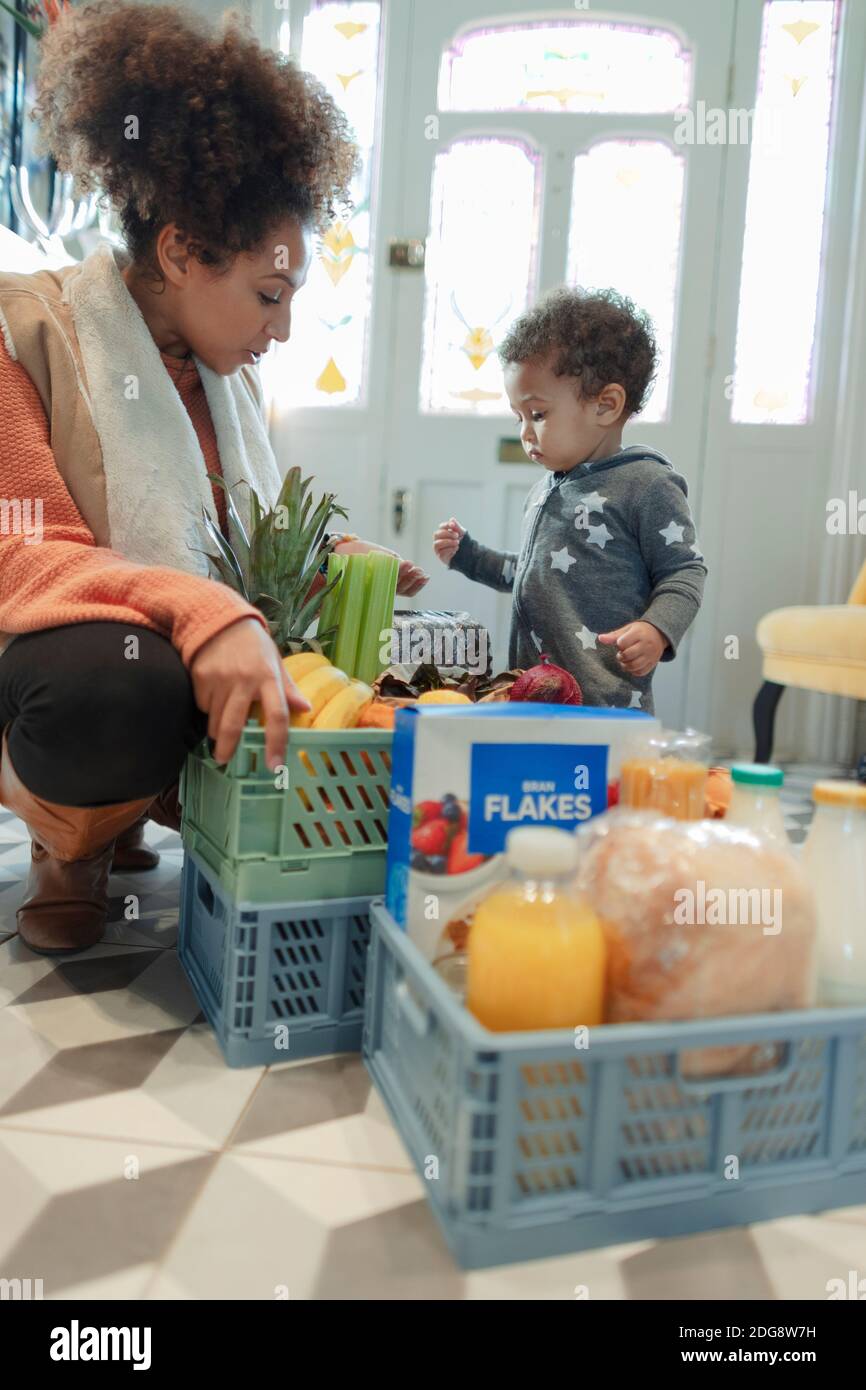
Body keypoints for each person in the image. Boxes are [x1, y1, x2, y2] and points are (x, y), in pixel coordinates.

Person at [0, 1, 426, 955]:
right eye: (268, 297)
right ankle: (69, 847)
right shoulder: (25, 330)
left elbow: (234, 540)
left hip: (149, 640)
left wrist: (331, 561)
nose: (279, 332)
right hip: (39, 654)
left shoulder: (222, 380)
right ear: (183, 251)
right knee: (114, 688)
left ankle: (136, 805)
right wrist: (204, 613)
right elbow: (21, 554)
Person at [433, 286, 706, 711]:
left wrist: (657, 629)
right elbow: (528, 574)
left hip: (603, 703)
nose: (525, 432)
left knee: (598, 781)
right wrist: (468, 556)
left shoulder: (648, 485)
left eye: (538, 414)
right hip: (535, 694)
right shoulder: (546, 489)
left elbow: (685, 572)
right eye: (518, 416)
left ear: (606, 405)